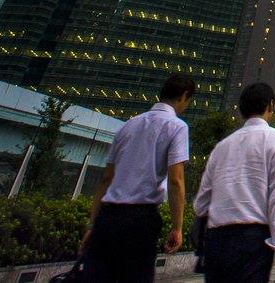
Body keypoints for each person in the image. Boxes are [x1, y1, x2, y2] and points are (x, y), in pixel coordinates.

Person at [80, 74, 194, 282]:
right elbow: (175, 180)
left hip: (107, 217)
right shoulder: (177, 126)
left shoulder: (128, 125)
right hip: (139, 219)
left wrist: (92, 225)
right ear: (184, 96)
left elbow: (106, 179)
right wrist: (177, 227)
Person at [195, 83, 275, 283]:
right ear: (271, 105)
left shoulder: (221, 147)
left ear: (242, 110)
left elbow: (202, 202)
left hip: (216, 241)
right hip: (252, 242)